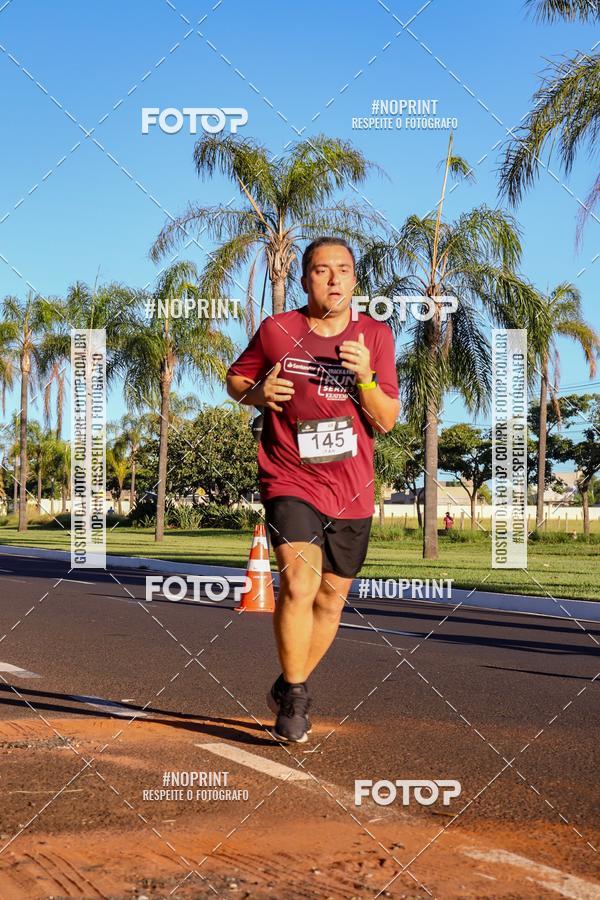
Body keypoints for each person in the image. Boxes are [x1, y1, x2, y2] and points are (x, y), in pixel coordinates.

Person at [226, 237, 400, 742]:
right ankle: (297, 696)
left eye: (342, 270)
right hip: (289, 475)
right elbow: (235, 381)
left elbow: (385, 421)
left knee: (329, 601)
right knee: (299, 585)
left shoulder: (376, 337)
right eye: (322, 271)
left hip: (351, 487)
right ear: (305, 280)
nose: (333, 279)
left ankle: (286, 681)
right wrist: (258, 395)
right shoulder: (278, 331)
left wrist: (365, 377)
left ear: (354, 279)